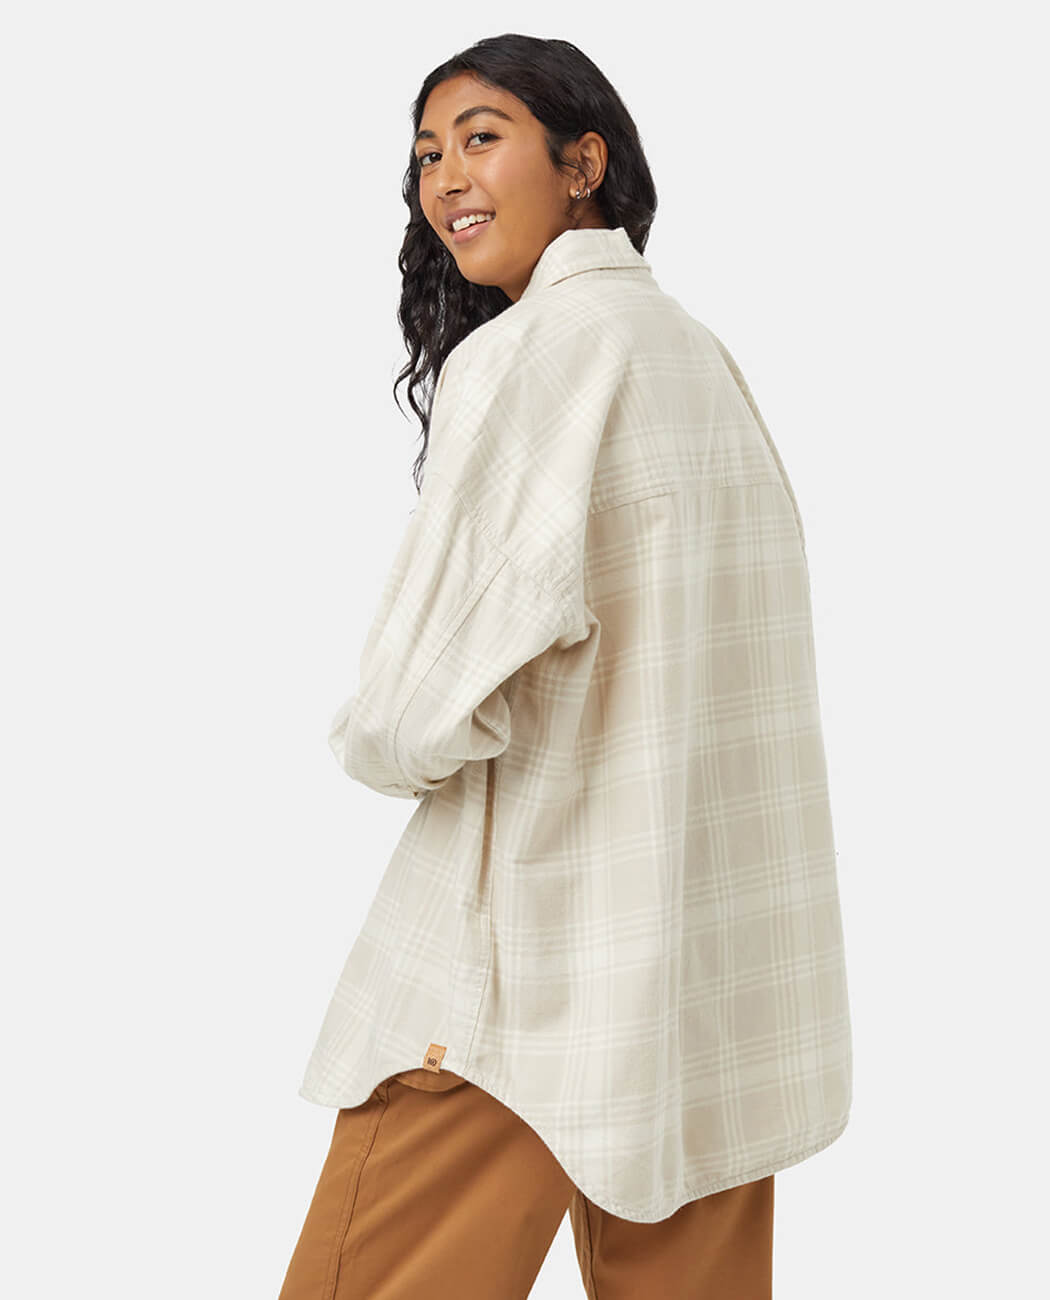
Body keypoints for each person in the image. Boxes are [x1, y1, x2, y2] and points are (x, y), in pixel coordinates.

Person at [279, 32, 852, 1300]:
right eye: (427, 153)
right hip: (702, 974)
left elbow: (414, 707)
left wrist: (377, 735)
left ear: (583, 163)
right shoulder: (700, 360)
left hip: (518, 975)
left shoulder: (537, 354)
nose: (445, 177)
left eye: (481, 138)